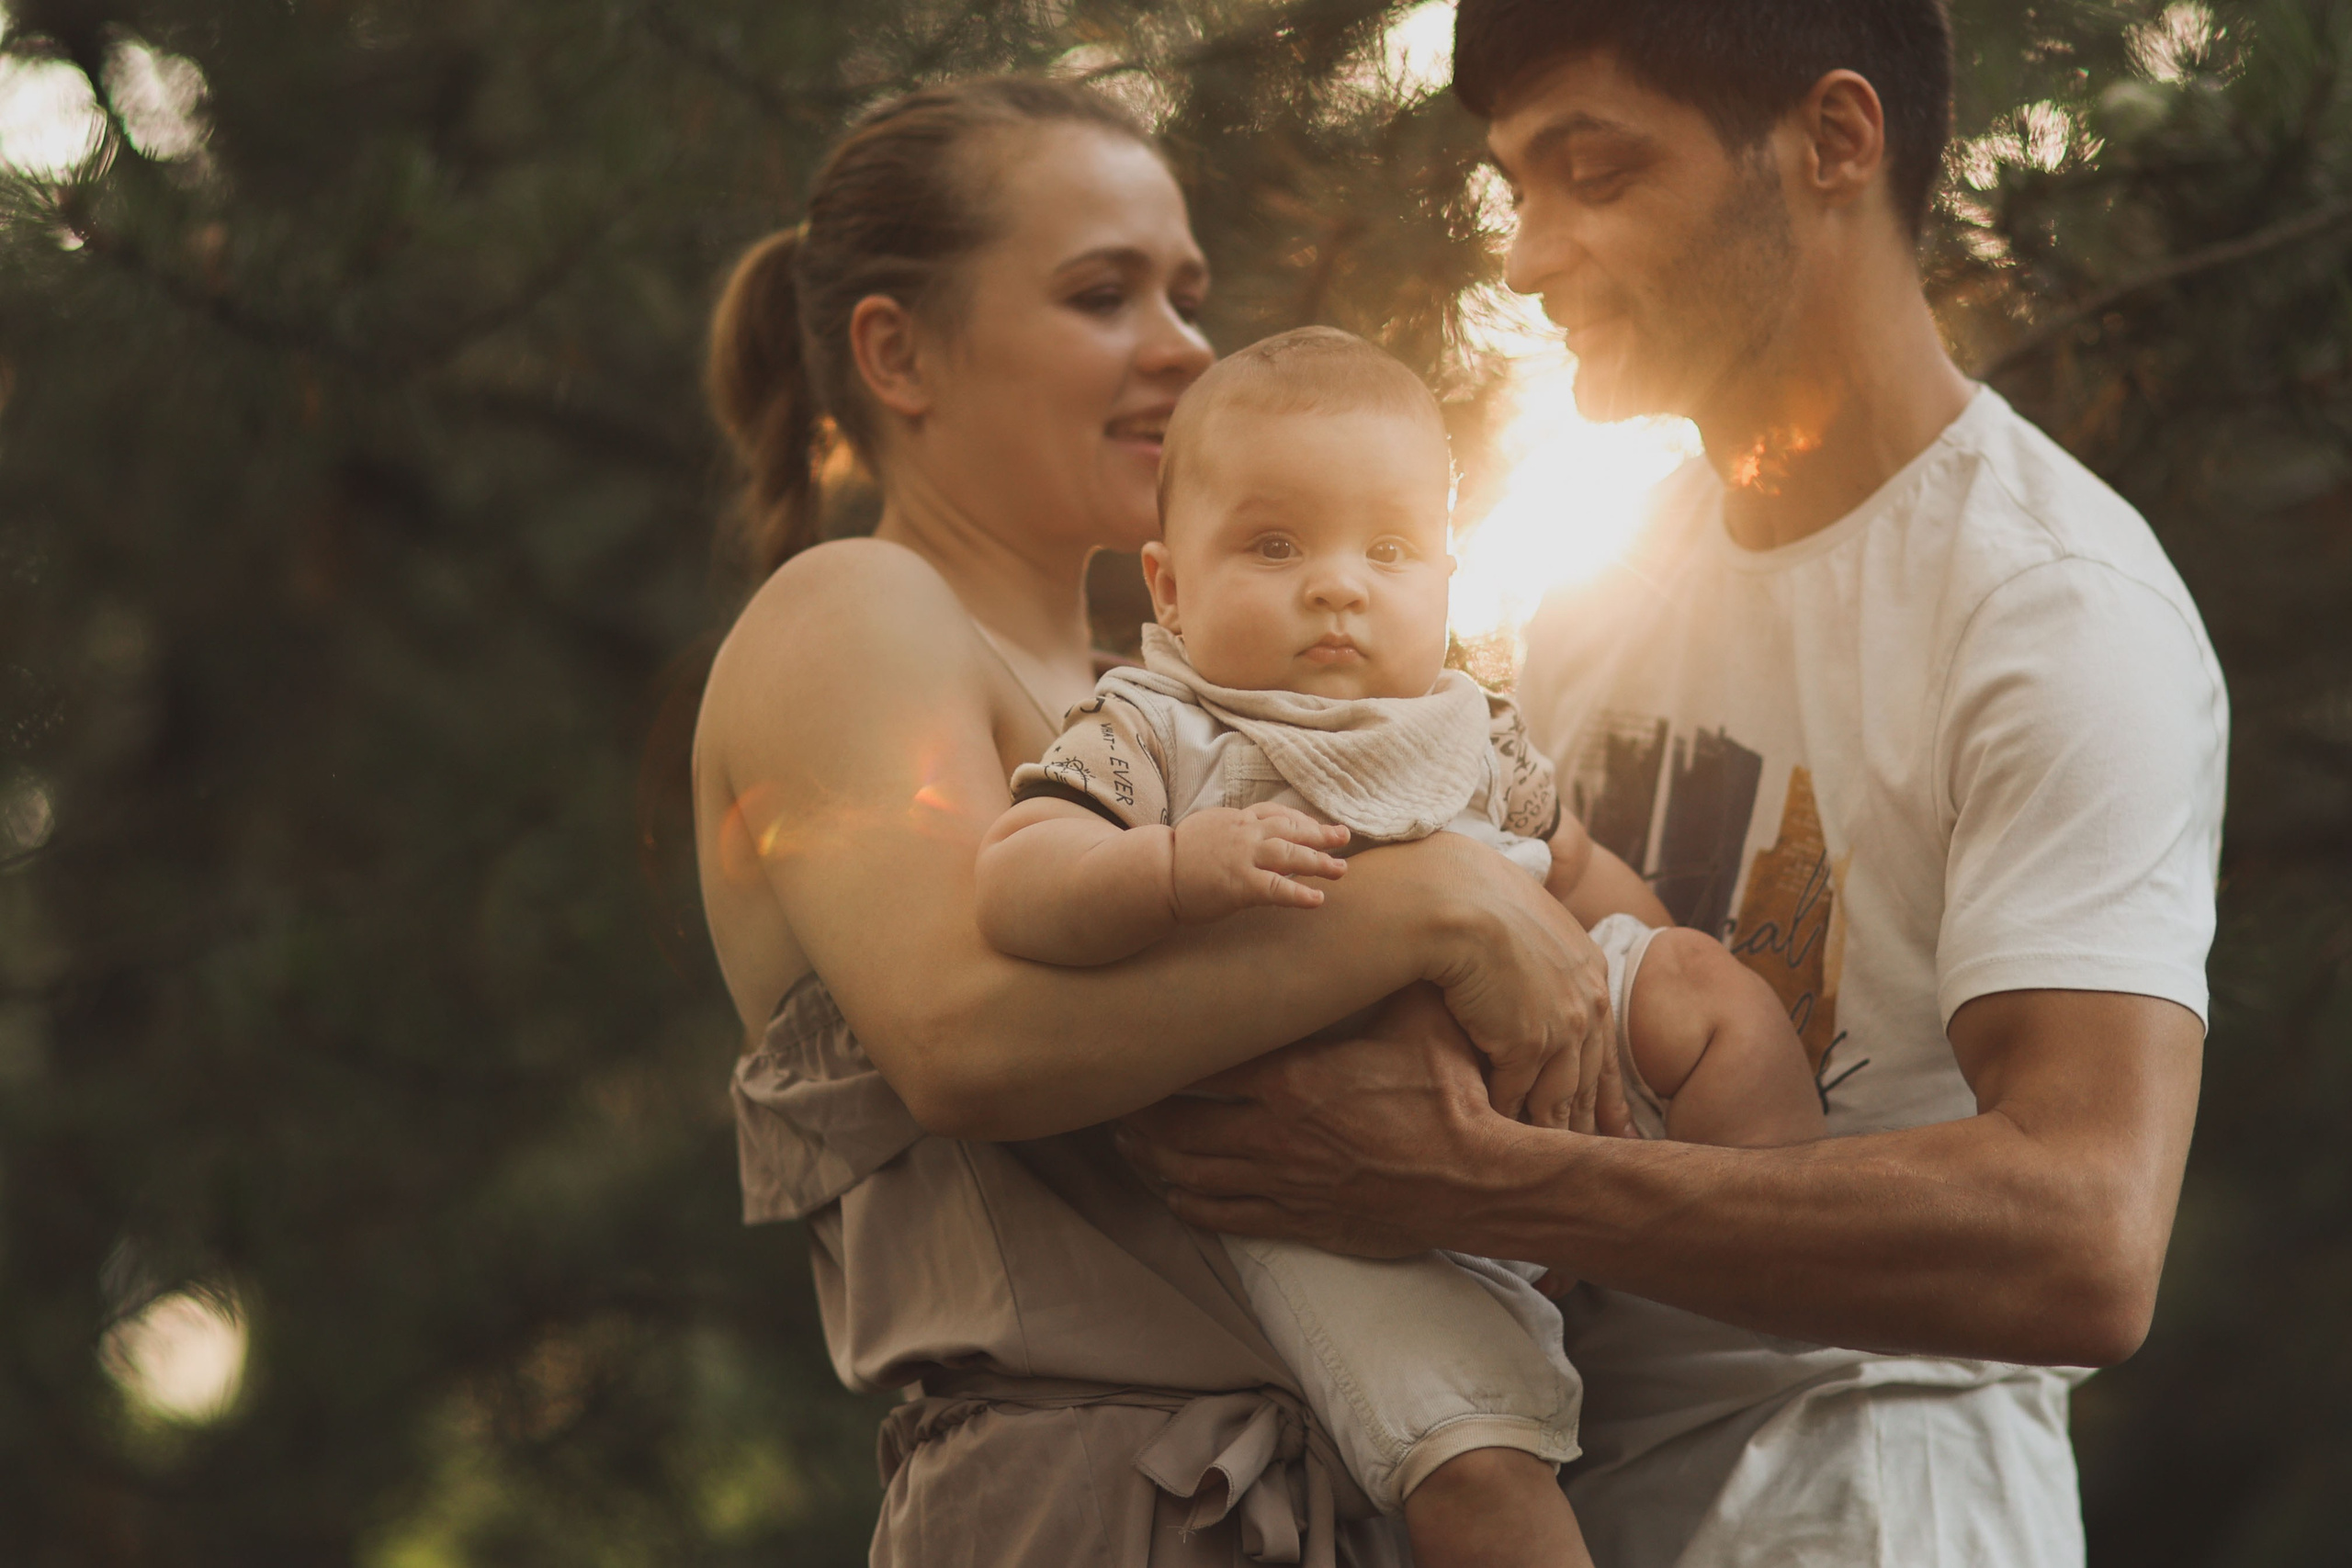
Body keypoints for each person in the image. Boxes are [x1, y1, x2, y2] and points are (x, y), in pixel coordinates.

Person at [1118, 4, 2230, 1564]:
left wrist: (1483, 1184)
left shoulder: (2048, 604)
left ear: (1834, 142)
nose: (1527, 254)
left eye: (1596, 171)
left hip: (1871, 1496)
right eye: (1518, 187)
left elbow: (2086, 1239)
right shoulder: (1597, 606)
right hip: (1555, 1479)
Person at [691, 76, 1624, 1565]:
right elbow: (962, 1041)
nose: (1183, 347)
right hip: (1086, 1514)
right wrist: (1432, 905)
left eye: (1187, 296)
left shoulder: (1177, 700)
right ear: (897, 352)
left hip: (1379, 1490)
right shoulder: (853, 611)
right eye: (1102, 294)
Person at [975, 325, 1824, 1566]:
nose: (1337, 585)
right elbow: (1014, 878)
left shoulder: (1469, 721)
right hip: (1336, 1194)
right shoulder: (1152, 727)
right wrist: (1165, 868)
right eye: (1275, 546)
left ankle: (1776, 1246)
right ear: (1167, 586)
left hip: (1548, 1082)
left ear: (1446, 572)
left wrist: (1642, 980)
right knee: (1478, 1465)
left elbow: (1584, 877)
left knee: (1706, 985)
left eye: (1388, 549)